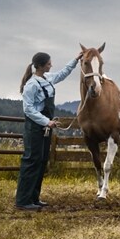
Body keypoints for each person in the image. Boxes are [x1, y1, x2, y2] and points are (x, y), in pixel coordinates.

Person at [15, 51, 81, 211]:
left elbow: (63, 73)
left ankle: (34, 198)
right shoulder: (31, 84)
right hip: (35, 128)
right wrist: (47, 121)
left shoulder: (47, 78)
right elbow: (28, 109)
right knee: (31, 160)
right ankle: (23, 200)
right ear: (43, 65)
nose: (51, 65)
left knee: (42, 160)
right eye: (49, 63)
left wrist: (76, 60)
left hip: (45, 128)